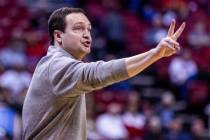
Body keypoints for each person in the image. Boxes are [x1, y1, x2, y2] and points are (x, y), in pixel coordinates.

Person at [22, 7, 185, 140]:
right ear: (58, 36)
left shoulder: (59, 65)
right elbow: (99, 73)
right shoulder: (55, 65)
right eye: (78, 28)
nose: (87, 34)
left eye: (89, 29)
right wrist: (154, 54)